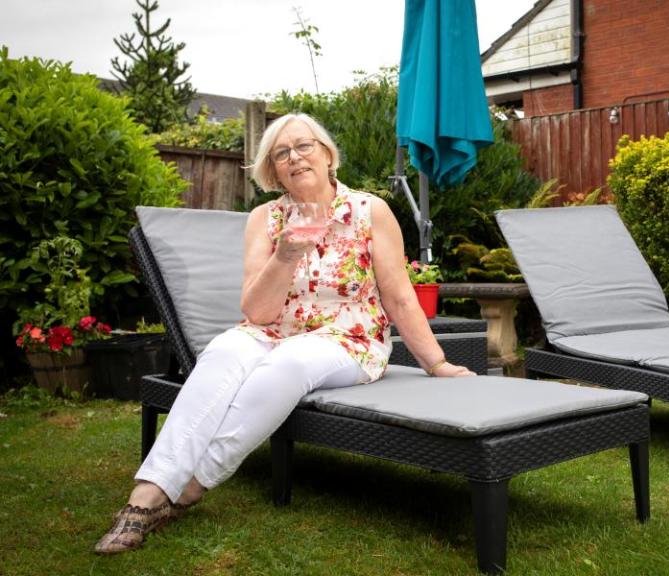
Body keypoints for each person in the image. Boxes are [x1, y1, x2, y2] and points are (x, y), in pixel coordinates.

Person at [94, 113, 475, 554]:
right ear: (273, 171)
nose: (294, 157)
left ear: (328, 154)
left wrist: (437, 362)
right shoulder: (264, 218)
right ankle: (146, 495)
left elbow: (400, 295)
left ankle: (192, 485)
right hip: (271, 330)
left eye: (304, 146)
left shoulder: (370, 211)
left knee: (288, 363)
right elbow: (256, 311)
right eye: (281, 153)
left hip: (347, 339)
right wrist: (286, 255)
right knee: (220, 352)